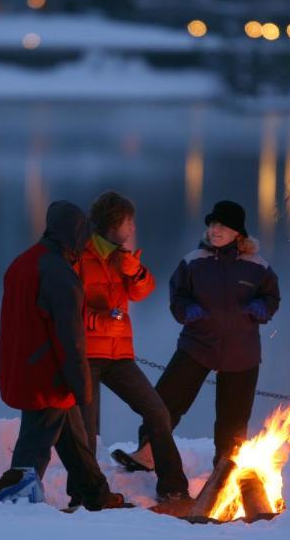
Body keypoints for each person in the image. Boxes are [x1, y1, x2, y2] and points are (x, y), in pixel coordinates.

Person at [0, 201, 129, 511]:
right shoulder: (60, 274)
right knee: (36, 443)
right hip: (48, 372)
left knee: (73, 437)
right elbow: (70, 338)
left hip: (24, 364)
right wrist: (82, 385)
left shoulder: (24, 262)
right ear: (74, 233)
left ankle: (96, 494)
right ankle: (10, 499)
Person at [118, 200, 280, 470]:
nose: (215, 230)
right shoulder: (194, 262)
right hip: (197, 345)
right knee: (166, 400)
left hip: (242, 352)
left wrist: (261, 308)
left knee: (233, 418)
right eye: (213, 224)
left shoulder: (257, 266)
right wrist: (187, 310)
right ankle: (148, 452)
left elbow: (272, 296)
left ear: (238, 233)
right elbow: (177, 295)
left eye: (223, 226)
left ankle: (225, 467)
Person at [67, 191, 189, 504]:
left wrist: (135, 271)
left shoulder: (123, 256)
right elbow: (66, 308)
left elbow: (141, 292)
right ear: (113, 224)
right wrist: (99, 320)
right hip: (87, 355)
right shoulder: (80, 255)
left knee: (157, 411)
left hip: (119, 355)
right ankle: (84, 494)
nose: (133, 228)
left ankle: (173, 487)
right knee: (88, 429)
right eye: (129, 222)